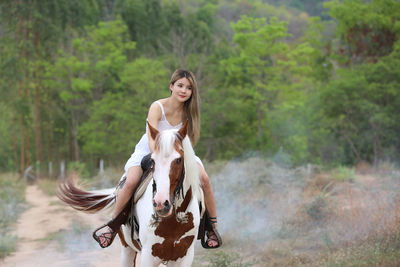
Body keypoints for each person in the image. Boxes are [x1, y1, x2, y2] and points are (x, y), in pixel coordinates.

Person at [94, 69, 221, 249]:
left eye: (189, 88)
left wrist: (180, 159)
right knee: (131, 181)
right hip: (150, 149)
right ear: (171, 86)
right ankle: (113, 225)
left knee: (205, 180)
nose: (184, 90)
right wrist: (159, 158)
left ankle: (211, 226)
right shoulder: (157, 107)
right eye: (180, 85)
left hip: (177, 153)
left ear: (192, 92)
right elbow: (152, 136)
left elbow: (188, 143)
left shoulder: (189, 113)